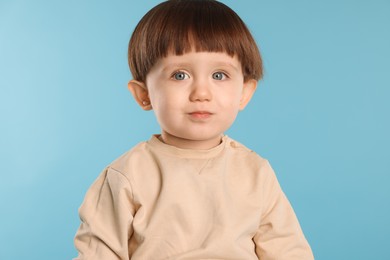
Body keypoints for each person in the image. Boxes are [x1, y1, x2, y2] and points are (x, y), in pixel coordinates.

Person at [73, 0, 314, 259]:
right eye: (180, 75)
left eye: (219, 75)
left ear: (244, 93)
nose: (201, 93)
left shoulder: (256, 173)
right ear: (144, 94)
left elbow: (289, 252)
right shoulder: (125, 178)